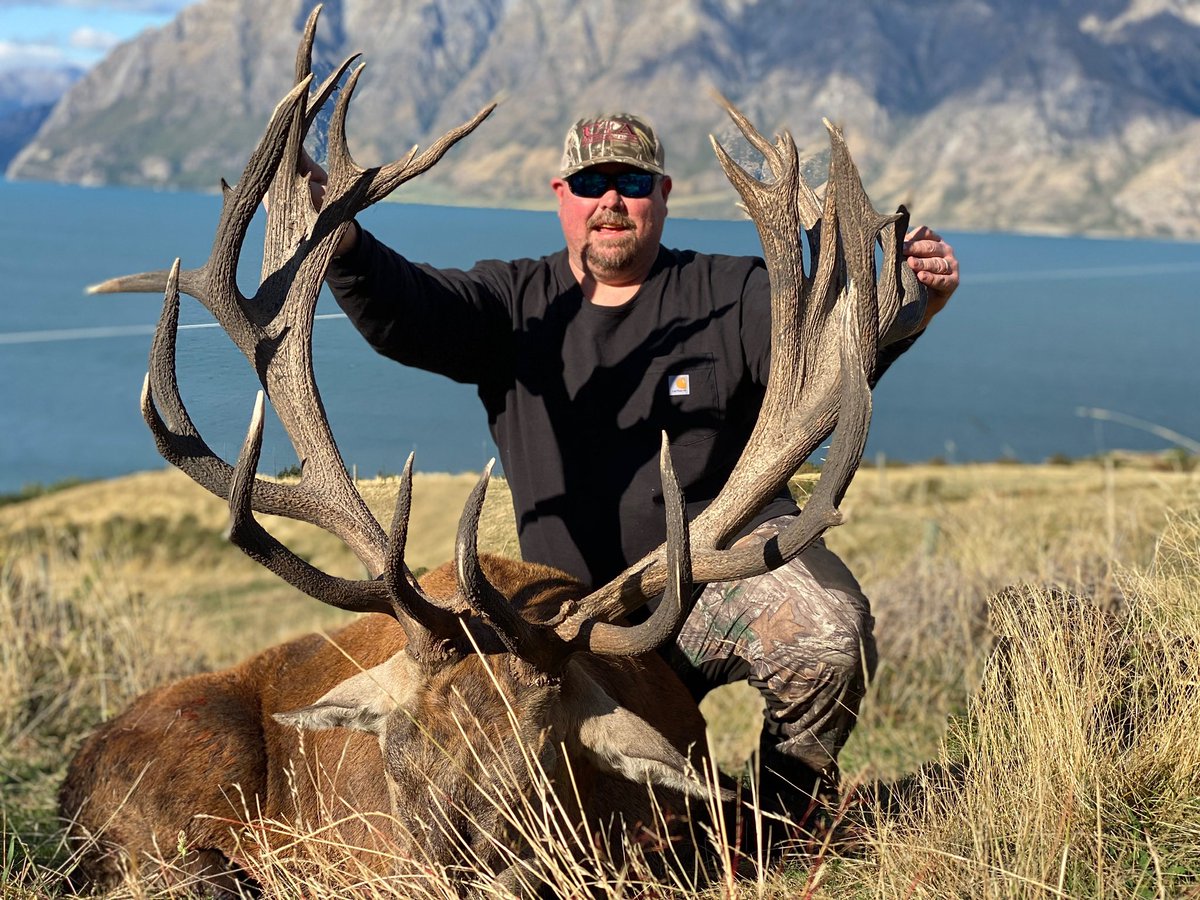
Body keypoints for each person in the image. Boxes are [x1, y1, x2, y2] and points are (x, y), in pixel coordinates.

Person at [311, 112, 959, 839]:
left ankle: (784, 817)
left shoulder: (735, 292)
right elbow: (410, 311)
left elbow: (830, 371)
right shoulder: (510, 305)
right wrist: (346, 244)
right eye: (591, 182)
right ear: (562, 193)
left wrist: (909, 307)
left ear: (663, 193)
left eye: (632, 182)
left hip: (719, 576)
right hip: (575, 621)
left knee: (825, 634)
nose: (610, 200)